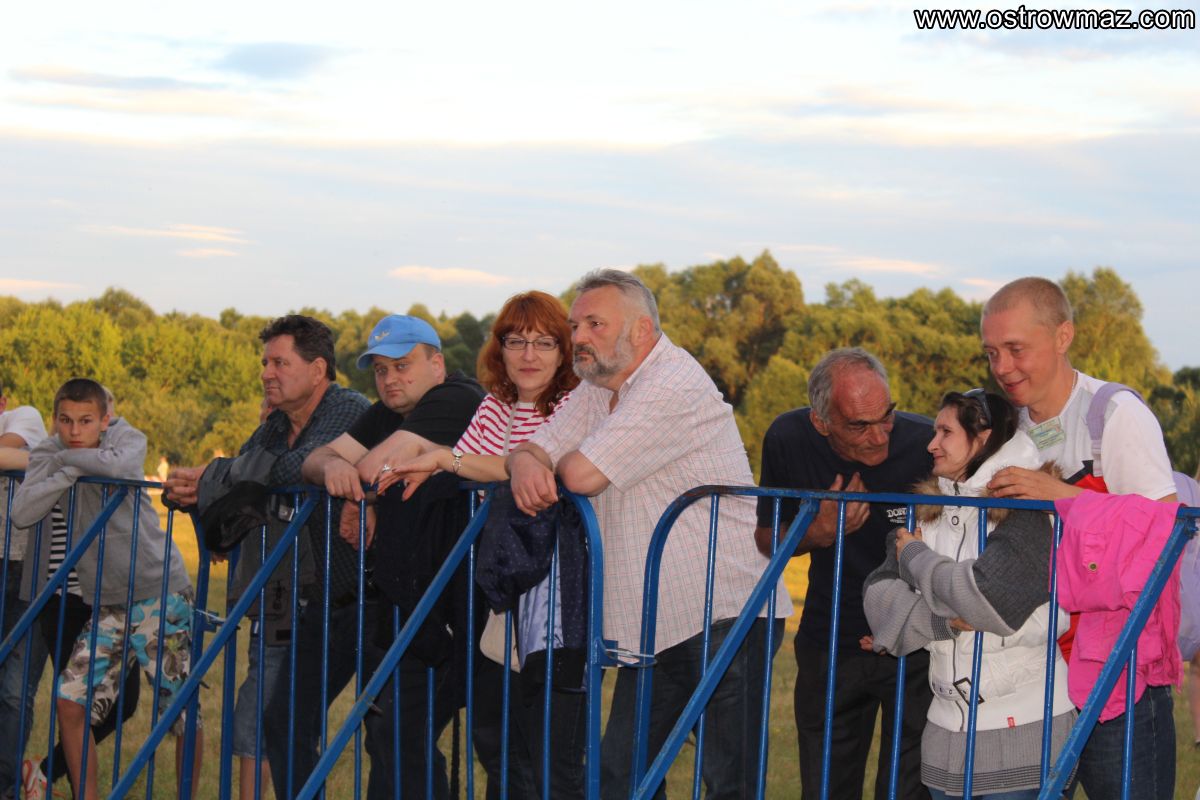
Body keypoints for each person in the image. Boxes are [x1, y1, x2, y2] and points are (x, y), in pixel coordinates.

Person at [506, 269, 790, 800]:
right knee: (621, 778)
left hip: (724, 613)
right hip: (658, 623)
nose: (578, 336)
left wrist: (549, 463)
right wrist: (524, 461)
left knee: (728, 783)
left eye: (594, 324)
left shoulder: (672, 383)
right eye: (575, 325)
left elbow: (580, 475)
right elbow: (535, 447)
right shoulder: (600, 385)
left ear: (640, 330)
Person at [981, 277, 1179, 799]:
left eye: (1016, 349)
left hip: (1118, 677)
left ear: (1063, 336)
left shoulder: (1114, 414)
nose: (1003, 367)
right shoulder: (1006, 429)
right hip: (1035, 679)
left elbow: (1166, 530)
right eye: (992, 353)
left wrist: (1064, 497)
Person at [164, 314, 369, 800]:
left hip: (350, 601)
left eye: (280, 363)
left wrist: (221, 473)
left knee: (333, 725)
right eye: (265, 363)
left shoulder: (349, 409)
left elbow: (298, 465)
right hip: (281, 593)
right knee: (262, 715)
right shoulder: (275, 424)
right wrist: (199, 491)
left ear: (317, 369)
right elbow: (243, 485)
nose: (266, 373)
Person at [387, 290, 581, 799]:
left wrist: (446, 459)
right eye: (516, 341)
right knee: (494, 734)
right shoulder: (495, 405)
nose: (529, 355)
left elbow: (534, 471)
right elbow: (474, 465)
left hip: (554, 594)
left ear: (564, 350)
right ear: (500, 348)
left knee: (546, 745)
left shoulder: (576, 404)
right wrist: (447, 462)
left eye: (544, 342)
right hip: (497, 588)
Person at [292, 314, 484, 800]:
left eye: (402, 365)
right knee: (389, 735)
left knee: (409, 734)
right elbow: (314, 460)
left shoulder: (456, 398)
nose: (390, 379)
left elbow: (375, 468)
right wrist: (335, 468)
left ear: (436, 364)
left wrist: (360, 489)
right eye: (380, 370)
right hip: (410, 600)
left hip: (460, 607)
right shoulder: (386, 412)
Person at [863, 389, 1075, 799]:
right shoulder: (930, 507)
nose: (931, 444)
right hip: (944, 736)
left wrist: (917, 559)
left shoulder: (1027, 509)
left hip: (1027, 731)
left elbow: (986, 599)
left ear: (984, 439)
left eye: (945, 432)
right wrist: (946, 622)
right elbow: (878, 600)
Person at [753, 347, 934, 800]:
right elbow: (766, 538)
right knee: (826, 786)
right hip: (830, 640)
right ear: (821, 421)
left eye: (887, 416)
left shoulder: (928, 444)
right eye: (859, 425)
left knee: (908, 790)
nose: (879, 436)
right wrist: (817, 531)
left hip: (915, 648)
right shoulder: (789, 438)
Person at [11, 378, 198, 800]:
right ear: (55, 419)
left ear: (105, 419)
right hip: (105, 601)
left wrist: (68, 463)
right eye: (66, 421)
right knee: (70, 699)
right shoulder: (50, 451)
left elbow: (121, 467)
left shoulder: (126, 437)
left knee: (179, 709)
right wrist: (70, 470)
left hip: (157, 589)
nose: (74, 431)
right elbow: (22, 512)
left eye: (85, 421)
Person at [0, 385, 47, 800]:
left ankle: (7, 785)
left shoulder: (23, 416)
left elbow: (10, 454)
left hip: (27, 571)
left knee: (15, 689)